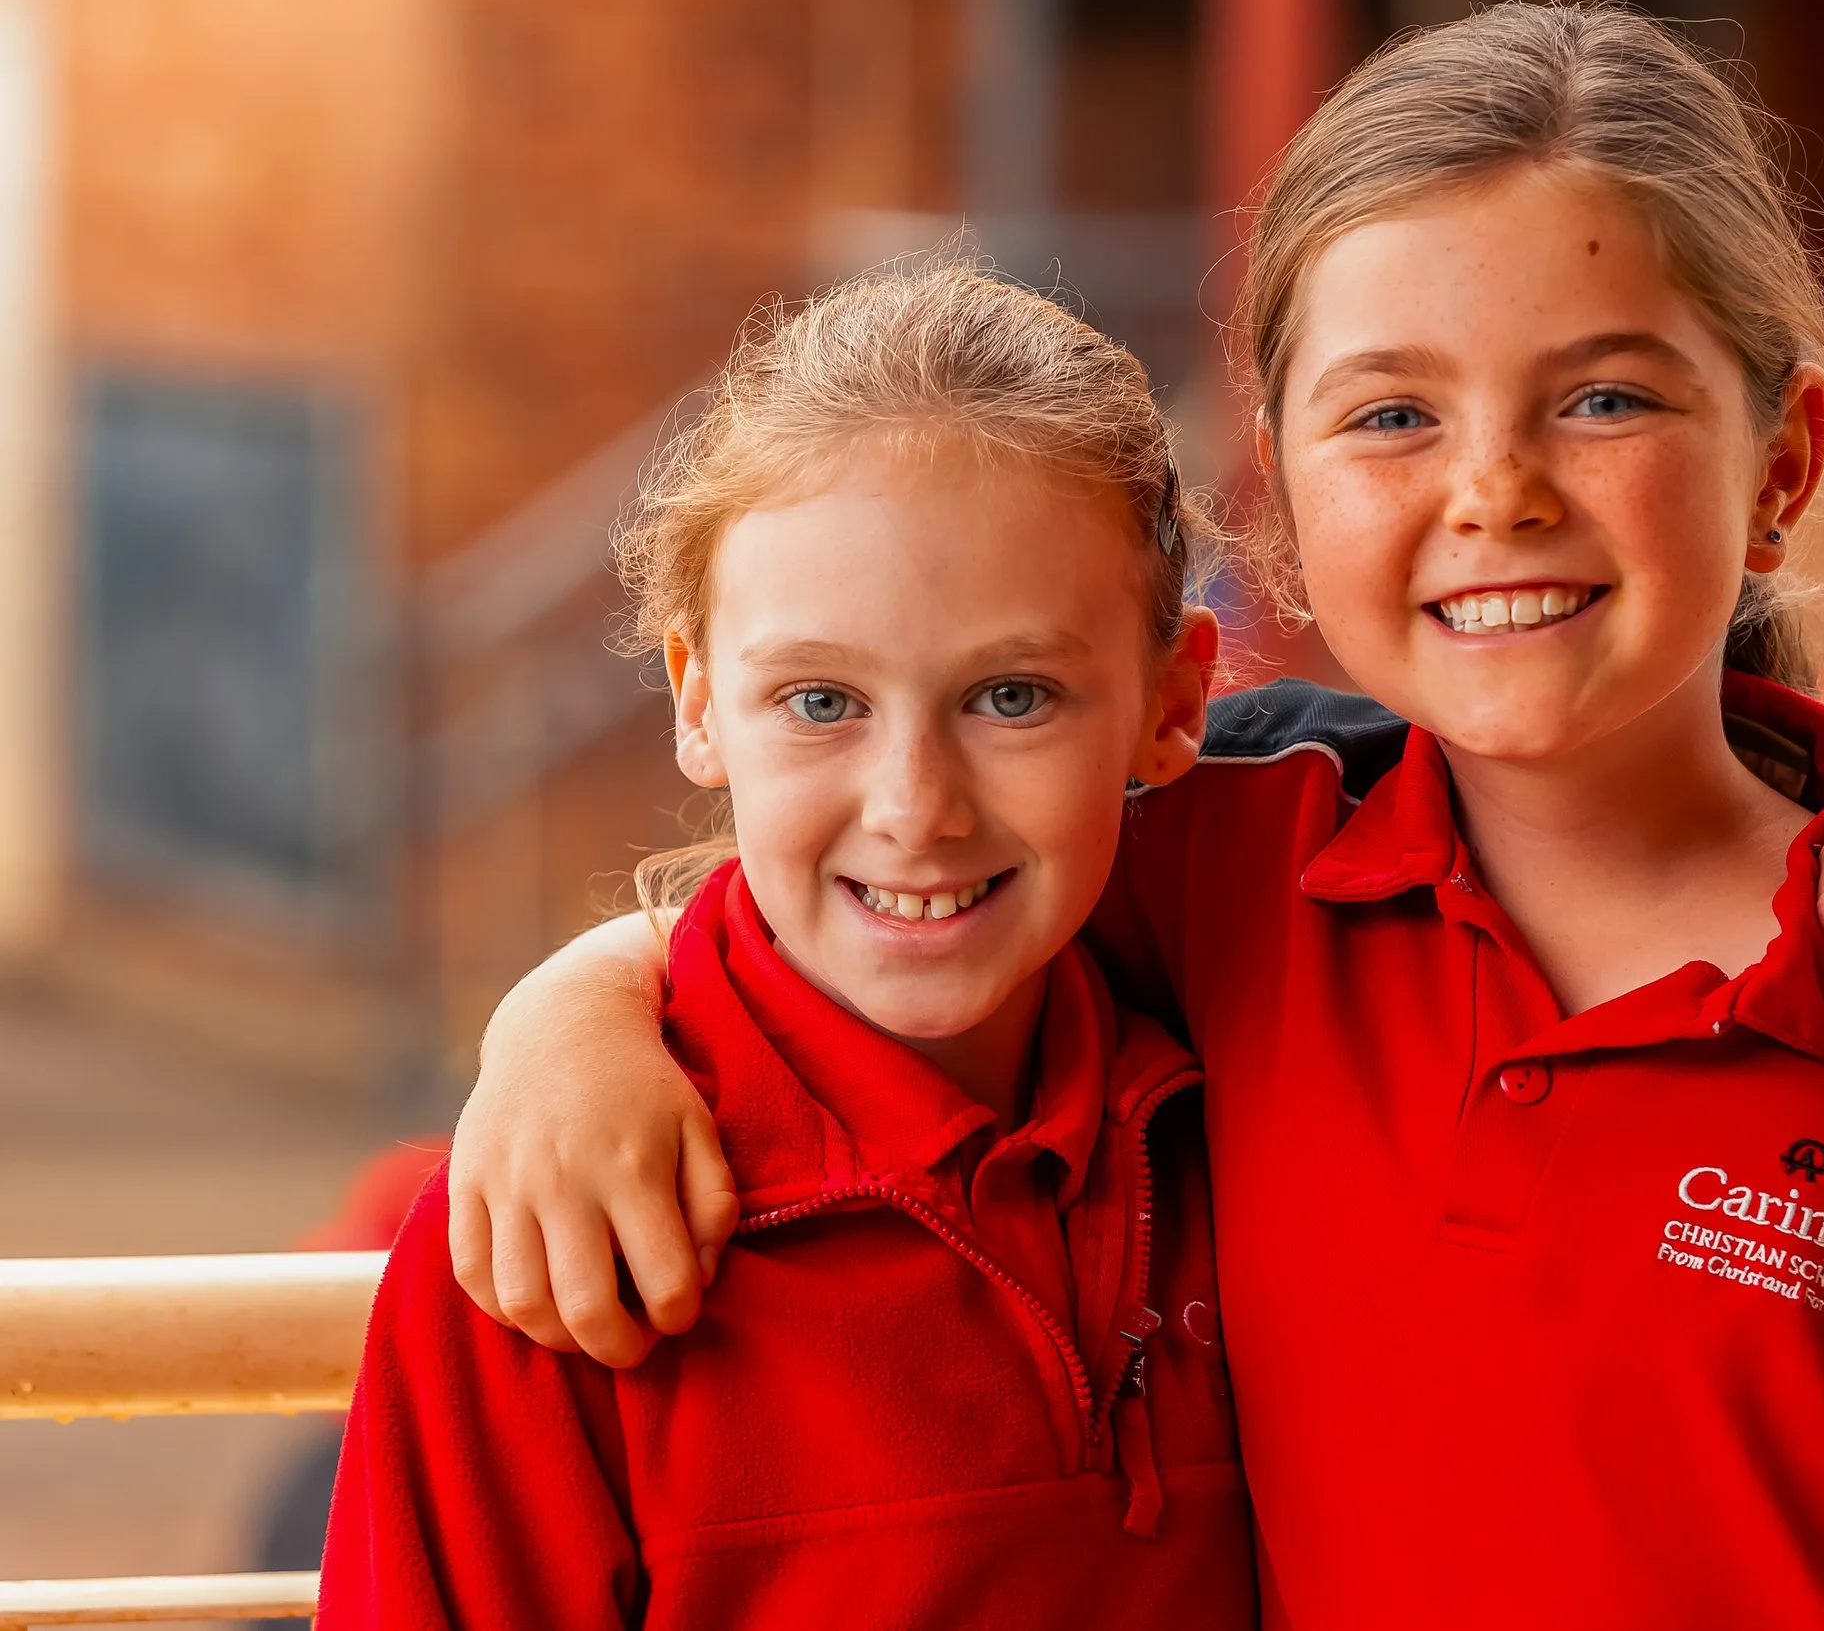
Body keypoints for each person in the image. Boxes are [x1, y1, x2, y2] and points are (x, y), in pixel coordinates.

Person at [446, 3, 1824, 1628]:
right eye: (1393, 415)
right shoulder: (1222, 853)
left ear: (1783, 461)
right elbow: (891, 857)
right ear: (1285, 478)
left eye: (1605, 397)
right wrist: (581, 1010)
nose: (1494, 490)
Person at [318, 264, 1255, 1627]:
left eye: (1012, 694)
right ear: (700, 701)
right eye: (822, 697)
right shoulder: (551, 1239)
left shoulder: (1260, 1073)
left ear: (1174, 703)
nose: (915, 804)